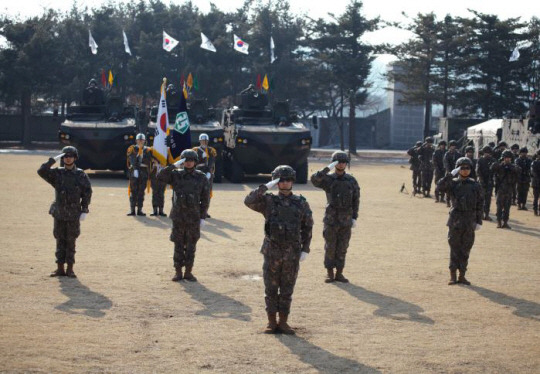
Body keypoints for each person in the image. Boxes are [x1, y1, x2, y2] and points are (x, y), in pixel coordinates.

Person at [244, 165, 313, 334]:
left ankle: (283, 322)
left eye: (288, 180)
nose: (285, 183)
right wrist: (266, 186)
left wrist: (305, 249)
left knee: (287, 288)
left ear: (293, 182)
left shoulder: (301, 203)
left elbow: (308, 227)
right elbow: (248, 200)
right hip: (272, 251)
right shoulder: (268, 201)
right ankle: (271, 322)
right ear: (276, 182)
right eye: (281, 180)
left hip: (292, 253)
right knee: (271, 288)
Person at [38, 146, 92, 278]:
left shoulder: (80, 175)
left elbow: (87, 193)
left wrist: (84, 209)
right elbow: (41, 171)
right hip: (59, 212)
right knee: (59, 240)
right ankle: (60, 268)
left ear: (75, 158)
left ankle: (70, 269)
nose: (68, 159)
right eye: (65, 156)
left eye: (70, 156)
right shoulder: (57, 173)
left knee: (71, 241)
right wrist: (53, 160)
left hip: (73, 213)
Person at [158, 149, 210, 282]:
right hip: (178, 216)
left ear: (195, 162)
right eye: (185, 160)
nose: (188, 163)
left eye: (191, 160)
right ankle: (178, 271)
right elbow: (160, 176)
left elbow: (205, 199)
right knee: (178, 244)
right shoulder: (176, 175)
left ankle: (188, 272)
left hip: (193, 216)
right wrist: (174, 165)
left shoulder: (201, 177)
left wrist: (203, 217)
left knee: (191, 245)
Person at [311, 151, 360, 283]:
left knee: (342, 247)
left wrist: (354, 217)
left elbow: (356, 200)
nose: (342, 164)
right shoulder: (328, 179)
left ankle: (339, 273)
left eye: (344, 162)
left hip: (346, 219)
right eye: (339, 162)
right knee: (330, 246)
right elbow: (314, 180)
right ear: (334, 163)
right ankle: (329, 273)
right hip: (331, 219)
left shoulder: (351, 180)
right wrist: (328, 168)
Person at [437, 157, 483, 286]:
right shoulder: (453, 183)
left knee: (466, 248)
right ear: (458, 169)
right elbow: (439, 187)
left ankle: (462, 275)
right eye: (462, 168)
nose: (465, 170)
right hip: (456, 220)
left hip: (469, 220)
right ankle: (453, 276)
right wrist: (450, 174)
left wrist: (479, 221)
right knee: (454, 247)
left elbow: (480, 203)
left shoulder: (475, 185)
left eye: (467, 168)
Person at [491, 150, 520, 229]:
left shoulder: (513, 166)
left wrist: (510, 166)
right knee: (499, 207)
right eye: (505, 157)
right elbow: (492, 168)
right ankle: (499, 221)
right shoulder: (499, 166)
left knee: (507, 207)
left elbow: (518, 170)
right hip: (500, 189)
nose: (507, 159)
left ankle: (505, 222)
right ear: (503, 158)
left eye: (508, 158)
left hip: (509, 189)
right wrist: (501, 164)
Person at [127, 133, 153, 216]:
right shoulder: (132, 148)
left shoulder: (148, 150)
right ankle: (132, 210)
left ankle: (140, 210)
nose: (140, 141)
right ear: (136, 140)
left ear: (145, 141)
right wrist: (135, 168)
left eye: (142, 140)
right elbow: (131, 159)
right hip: (134, 171)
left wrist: (142, 156)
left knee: (141, 191)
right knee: (133, 191)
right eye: (139, 140)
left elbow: (148, 160)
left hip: (143, 171)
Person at [193, 133, 217, 218]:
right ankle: (196, 211)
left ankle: (205, 211)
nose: (204, 142)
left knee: (207, 194)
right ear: (200, 141)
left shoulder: (211, 150)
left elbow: (211, 163)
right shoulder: (195, 150)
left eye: (206, 141)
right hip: (198, 174)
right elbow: (194, 163)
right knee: (197, 193)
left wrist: (209, 173)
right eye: (203, 141)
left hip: (208, 175)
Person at [476, 146, 495, 221]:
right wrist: (481, 180)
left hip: (489, 182)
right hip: (482, 182)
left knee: (488, 200)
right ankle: (480, 215)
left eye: (488, 153)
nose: (487, 154)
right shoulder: (480, 160)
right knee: (480, 199)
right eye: (486, 153)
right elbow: (478, 171)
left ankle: (486, 214)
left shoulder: (493, 160)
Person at [531, 149, 540, 216]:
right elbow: (533, 173)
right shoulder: (534, 163)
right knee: (536, 198)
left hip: (536, 182)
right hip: (536, 183)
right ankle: (535, 210)